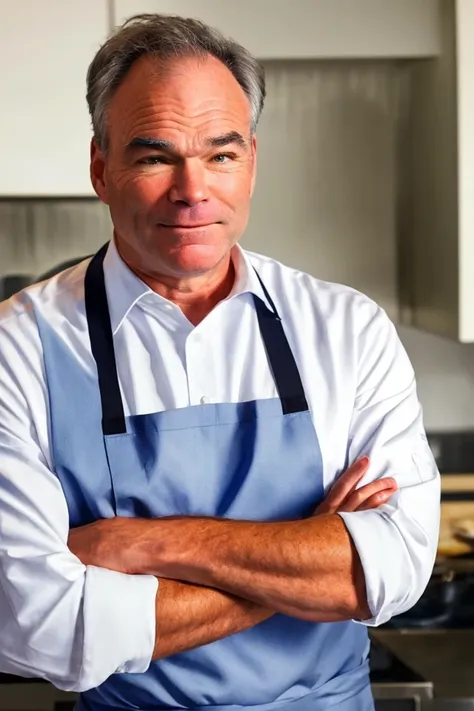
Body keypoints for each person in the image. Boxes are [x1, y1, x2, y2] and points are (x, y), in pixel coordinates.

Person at [0, 13, 440, 711]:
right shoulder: (20, 346)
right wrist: (303, 565)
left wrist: (138, 543)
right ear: (100, 168)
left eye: (221, 154)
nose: (192, 189)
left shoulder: (345, 328)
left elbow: (388, 572)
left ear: (252, 163)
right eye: (154, 156)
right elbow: (40, 626)